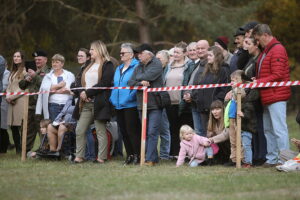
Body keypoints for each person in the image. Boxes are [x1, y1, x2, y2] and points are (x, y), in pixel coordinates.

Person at [252, 24, 291, 167]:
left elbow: (278, 74)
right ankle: (272, 158)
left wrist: (259, 82)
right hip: (267, 96)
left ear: (265, 35)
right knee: (268, 129)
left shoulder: (277, 49)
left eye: (257, 39)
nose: (257, 42)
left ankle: (285, 159)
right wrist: (258, 81)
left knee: (279, 129)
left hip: (276, 96)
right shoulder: (266, 51)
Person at [73, 40, 114, 164]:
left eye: (92, 49)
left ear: (99, 50)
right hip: (85, 103)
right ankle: (79, 156)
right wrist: (82, 93)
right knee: (79, 130)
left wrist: (88, 93)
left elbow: (105, 83)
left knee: (100, 131)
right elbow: (79, 80)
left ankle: (101, 157)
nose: (90, 51)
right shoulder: (88, 65)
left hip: (99, 103)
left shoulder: (108, 64)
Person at [128, 43, 163, 166]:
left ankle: (149, 159)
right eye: (137, 53)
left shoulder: (157, 64)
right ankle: (153, 157)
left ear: (149, 53)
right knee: (145, 132)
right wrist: (140, 83)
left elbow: (149, 76)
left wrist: (138, 80)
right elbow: (130, 82)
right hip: (141, 104)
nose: (138, 56)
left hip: (155, 104)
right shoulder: (138, 66)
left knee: (152, 132)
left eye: (141, 53)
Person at [110, 43, 141, 165]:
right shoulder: (118, 68)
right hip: (118, 105)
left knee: (132, 131)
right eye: (120, 53)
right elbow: (115, 85)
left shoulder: (137, 67)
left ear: (131, 55)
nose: (121, 55)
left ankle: (138, 155)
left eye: (123, 53)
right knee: (123, 131)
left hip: (130, 105)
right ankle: (130, 156)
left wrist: (128, 98)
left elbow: (136, 86)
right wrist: (112, 99)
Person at [192, 46, 230, 135]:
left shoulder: (224, 70)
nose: (207, 57)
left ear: (217, 56)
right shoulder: (207, 69)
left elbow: (225, 89)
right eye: (207, 55)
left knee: (217, 136)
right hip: (203, 108)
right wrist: (198, 99)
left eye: (210, 55)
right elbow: (201, 86)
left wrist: (216, 102)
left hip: (215, 109)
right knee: (206, 135)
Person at [164, 41, 194, 157]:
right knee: (173, 128)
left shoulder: (189, 66)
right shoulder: (169, 66)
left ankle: (188, 153)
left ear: (184, 53)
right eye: (174, 52)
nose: (175, 54)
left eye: (178, 52)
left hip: (183, 103)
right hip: (169, 102)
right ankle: (174, 153)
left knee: (185, 129)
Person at [19, 50, 51, 152]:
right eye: (36, 60)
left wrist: (35, 76)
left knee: (42, 129)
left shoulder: (49, 72)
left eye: (39, 59)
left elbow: (47, 85)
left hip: (41, 107)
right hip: (30, 106)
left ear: (45, 60)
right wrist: (26, 80)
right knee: (28, 130)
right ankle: (25, 150)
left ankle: (44, 150)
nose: (37, 61)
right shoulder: (33, 71)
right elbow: (21, 86)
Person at [242, 36, 267, 165]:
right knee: (253, 128)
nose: (244, 46)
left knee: (260, 127)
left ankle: (262, 155)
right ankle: (256, 155)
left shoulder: (260, 59)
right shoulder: (251, 59)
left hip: (256, 97)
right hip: (250, 97)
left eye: (248, 43)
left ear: (256, 45)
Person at [36, 54, 75, 121]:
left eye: (57, 62)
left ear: (62, 64)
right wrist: (59, 86)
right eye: (53, 62)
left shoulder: (69, 75)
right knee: (54, 126)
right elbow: (44, 91)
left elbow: (70, 90)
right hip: (53, 105)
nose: (54, 64)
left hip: (67, 105)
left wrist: (53, 89)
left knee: (65, 127)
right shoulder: (48, 76)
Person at [183, 40, 209, 136]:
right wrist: (187, 93)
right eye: (198, 48)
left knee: (206, 133)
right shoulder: (197, 64)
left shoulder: (210, 64)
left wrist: (191, 95)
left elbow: (205, 85)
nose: (199, 51)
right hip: (195, 103)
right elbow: (192, 82)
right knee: (198, 133)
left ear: (208, 49)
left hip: (205, 105)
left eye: (202, 48)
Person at [6, 51, 27, 153]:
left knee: (20, 126)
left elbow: (23, 88)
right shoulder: (12, 72)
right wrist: (8, 97)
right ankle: (18, 150)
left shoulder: (24, 71)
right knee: (13, 127)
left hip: (20, 101)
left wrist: (12, 97)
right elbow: (9, 87)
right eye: (14, 56)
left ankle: (23, 149)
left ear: (22, 58)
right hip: (11, 102)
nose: (16, 58)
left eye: (18, 56)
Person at [156, 50, 171, 160]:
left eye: (159, 59)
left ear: (167, 60)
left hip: (165, 102)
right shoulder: (154, 70)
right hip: (155, 102)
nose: (157, 61)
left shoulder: (169, 70)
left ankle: (164, 154)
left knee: (164, 130)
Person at [0, 57, 10, 153]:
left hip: (3, 102)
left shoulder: (6, 73)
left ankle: (3, 148)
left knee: (2, 126)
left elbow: (4, 87)